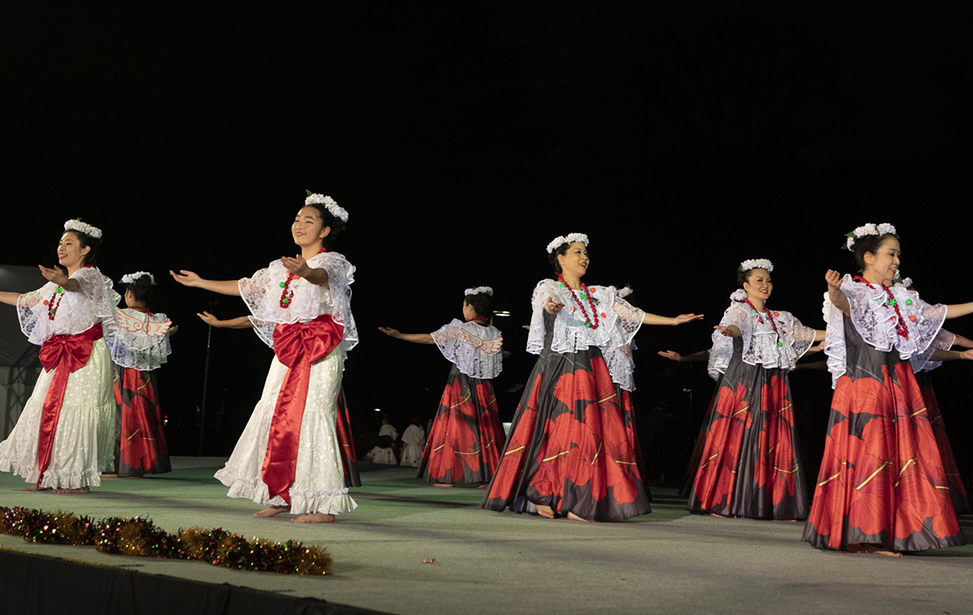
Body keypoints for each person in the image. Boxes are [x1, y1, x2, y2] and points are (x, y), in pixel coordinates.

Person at [482, 233, 703, 521]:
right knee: (558, 429)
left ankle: (579, 498)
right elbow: (546, 304)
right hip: (561, 364)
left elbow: (631, 314)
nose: (584, 257)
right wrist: (551, 308)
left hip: (591, 365)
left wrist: (672, 321)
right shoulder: (550, 287)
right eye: (577, 252)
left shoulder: (598, 294)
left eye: (585, 253)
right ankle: (542, 494)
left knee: (589, 433)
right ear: (561, 259)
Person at [171, 192, 358, 523]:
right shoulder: (280, 269)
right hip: (287, 352)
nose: (299, 225)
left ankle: (323, 504)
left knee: (313, 416)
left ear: (325, 231)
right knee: (274, 416)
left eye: (309, 221)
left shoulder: (332, 263)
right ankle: (281, 494)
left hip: (320, 351)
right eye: (297, 219)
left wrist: (307, 271)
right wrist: (200, 282)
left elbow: (323, 279)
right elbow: (246, 286)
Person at [804, 223, 973, 555]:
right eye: (891, 254)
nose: (897, 261)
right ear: (869, 257)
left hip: (897, 382)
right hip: (865, 382)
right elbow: (842, 303)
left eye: (898, 255)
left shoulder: (901, 297)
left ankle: (896, 531)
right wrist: (833, 290)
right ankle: (867, 535)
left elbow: (936, 313)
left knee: (902, 454)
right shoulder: (854, 290)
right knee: (871, 452)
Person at [686, 259, 824, 520]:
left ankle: (773, 502)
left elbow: (807, 334)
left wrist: (840, 332)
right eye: (759, 280)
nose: (765, 285)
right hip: (746, 378)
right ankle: (725, 500)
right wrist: (729, 331)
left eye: (768, 280)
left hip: (774, 382)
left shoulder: (781, 318)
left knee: (774, 434)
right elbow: (737, 326)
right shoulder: (740, 310)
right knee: (741, 433)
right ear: (746, 286)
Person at [0, 219, 118, 494]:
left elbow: (75, 286)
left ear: (85, 250)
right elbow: (27, 299)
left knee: (77, 411)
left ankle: (77, 479)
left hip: (86, 354)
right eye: (60, 243)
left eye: (69, 243)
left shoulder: (91, 276)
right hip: (59, 355)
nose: (61, 248)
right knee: (45, 408)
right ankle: (46, 473)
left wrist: (63, 281)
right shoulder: (55, 285)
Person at [379, 286, 505, 486]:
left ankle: (448, 475)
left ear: (470, 307)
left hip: (461, 383)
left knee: (456, 426)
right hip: (484, 387)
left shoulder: (461, 329)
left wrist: (400, 336)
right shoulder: (493, 332)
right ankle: (487, 477)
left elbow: (430, 338)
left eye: (464, 305)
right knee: (485, 428)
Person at [105, 271, 174, 478]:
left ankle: (117, 465)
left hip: (122, 372)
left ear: (129, 294)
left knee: (120, 413)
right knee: (144, 411)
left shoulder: (120, 316)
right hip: (145, 376)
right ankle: (140, 465)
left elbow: (108, 339)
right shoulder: (156, 320)